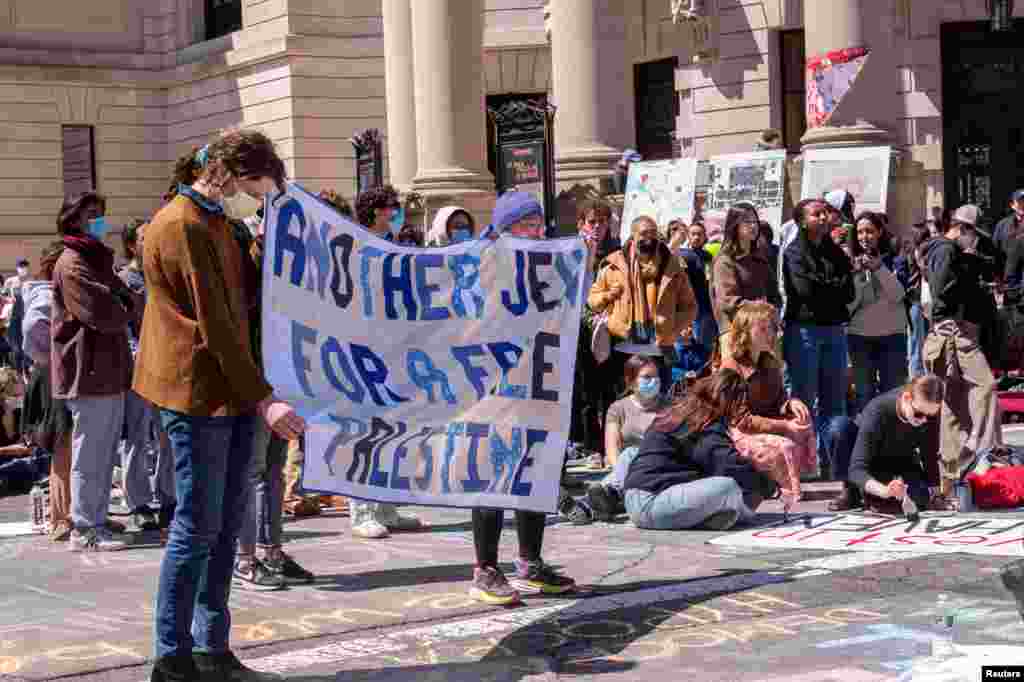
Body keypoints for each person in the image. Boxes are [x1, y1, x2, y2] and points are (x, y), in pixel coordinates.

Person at [136, 130, 307, 682]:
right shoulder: (182, 223)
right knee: (197, 525)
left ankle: (212, 650)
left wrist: (265, 234)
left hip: (229, 389)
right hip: (196, 391)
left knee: (226, 521)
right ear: (227, 174)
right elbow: (214, 323)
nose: (255, 201)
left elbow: (249, 293)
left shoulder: (219, 222)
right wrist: (265, 401)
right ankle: (172, 657)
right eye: (256, 190)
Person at [469, 192, 576, 606]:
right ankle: (485, 569)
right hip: (495, 384)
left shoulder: (545, 263)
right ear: (507, 227)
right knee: (493, 473)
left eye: (538, 223)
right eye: (527, 224)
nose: (536, 230)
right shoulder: (486, 262)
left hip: (539, 379)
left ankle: (530, 561)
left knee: (537, 469)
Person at [52, 192, 136, 553]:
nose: (100, 220)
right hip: (87, 371)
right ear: (74, 219)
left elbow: (125, 299)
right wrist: (122, 301)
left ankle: (97, 516)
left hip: (108, 369)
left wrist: (122, 299)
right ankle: (84, 526)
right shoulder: (73, 263)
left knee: (104, 452)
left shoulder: (96, 259)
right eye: (92, 214)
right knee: (90, 454)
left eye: (101, 214)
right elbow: (106, 311)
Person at [348, 185, 423, 539]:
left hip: (395, 345)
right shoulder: (358, 245)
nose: (396, 212)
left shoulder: (393, 245)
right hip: (365, 346)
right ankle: (362, 510)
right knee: (367, 428)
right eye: (391, 206)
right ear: (375, 210)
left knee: (392, 427)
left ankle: (387, 506)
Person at [622, 369, 775, 530]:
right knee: (728, 487)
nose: (740, 411)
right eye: (738, 404)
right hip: (650, 504)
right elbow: (728, 464)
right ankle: (740, 514)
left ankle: (709, 517)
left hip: (638, 498)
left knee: (728, 487)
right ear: (726, 399)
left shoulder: (682, 411)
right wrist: (767, 484)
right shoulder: (703, 422)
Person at [921, 204, 1001, 509]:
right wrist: (965, 278)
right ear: (963, 230)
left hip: (948, 330)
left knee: (952, 404)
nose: (975, 242)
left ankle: (951, 476)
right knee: (985, 386)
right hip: (951, 330)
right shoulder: (945, 250)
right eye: (973, 235)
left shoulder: (949, 252)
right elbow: (942, 289)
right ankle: (978, 449)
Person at [720, 301, 815, 507]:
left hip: (765, 424)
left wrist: (790, 404)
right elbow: (741, 420)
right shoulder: (731, 367)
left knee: (804, 423)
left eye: (771, 328)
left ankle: (794, 479)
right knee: (785, 444)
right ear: (745, 331)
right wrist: (784, 426)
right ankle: (787, 490)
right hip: (737, 431)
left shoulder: (769, 361)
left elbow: (779, 399)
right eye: (762, 329)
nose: (769, 333)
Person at [588, 214, 697, 388]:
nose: (649, 238)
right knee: (624, 407)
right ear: (633, 237)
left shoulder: (673, 266)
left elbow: (690, 307)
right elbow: (593, 300)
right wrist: (608, 296)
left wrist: (674, 328)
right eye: (644, 233)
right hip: (622, 349)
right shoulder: (612, 265)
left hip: (660, 351)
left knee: (661, 407)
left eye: (653, 233)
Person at [782, 198, 855, 455]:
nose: (824, 218)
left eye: (825, 213)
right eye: (816, 214)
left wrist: (826, 285)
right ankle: (804, 458)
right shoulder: (793, 253)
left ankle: (832, 458)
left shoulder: (835, 252)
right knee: (804, 397)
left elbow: (849, 291)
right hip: (804, 330)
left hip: (834, 328)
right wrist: (832, 285)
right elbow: (804, 291)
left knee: (835, 398)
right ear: (802, 221)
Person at [116, 219, 172, 533]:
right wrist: (140, 353)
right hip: (138, 369)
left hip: (167, 367)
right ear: (130, 245)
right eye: (142, 236)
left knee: (168, 438)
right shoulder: (124, 280)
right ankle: (138, 502)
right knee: (136, 438)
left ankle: (167, 498)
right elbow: (124, 328)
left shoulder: (162, 274)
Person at [824, 375, 944, 514]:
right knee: (839, 427)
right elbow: (857, 469)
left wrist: (935, 494)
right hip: (870, 461)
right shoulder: (878, 410)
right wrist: (884, 491)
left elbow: (929, 453)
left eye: (930, 416)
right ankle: (851, 491)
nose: (924, 420)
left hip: (900, 460)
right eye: (918, 414)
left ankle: (876, 495)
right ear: (906, 398)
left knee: (920, 497)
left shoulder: (926, 411)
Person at [19, 242, 74, 541]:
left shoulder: (44, 291)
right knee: (63, 444)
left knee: (66, 445)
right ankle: (61, 517)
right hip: (55, 376)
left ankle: (64, 514)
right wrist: (53, 354)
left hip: (52, 373)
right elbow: (30, 331)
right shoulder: (46, 293)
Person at [584, 356, 668, 520]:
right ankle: (610, 496)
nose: (654, 381)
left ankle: (600, 499)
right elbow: (612, 447)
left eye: (656, 376)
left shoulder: (670, 405)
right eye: (647, 377)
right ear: (631, 382)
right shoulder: (618, 408)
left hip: (658, 465)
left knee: (631, 452)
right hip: (627, 470)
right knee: (628, 455)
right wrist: (622, 472)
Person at [846, 212, 907, 413]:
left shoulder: (896, 258)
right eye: (860, 232)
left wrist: (879, 269)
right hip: (860, 337)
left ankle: (894, 438)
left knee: (894, 391)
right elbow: (849, 306)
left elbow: (899, 294)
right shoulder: (849, 262)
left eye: (870, 231)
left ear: (880, 232)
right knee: (864, 394)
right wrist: (857, 278)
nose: (865, 236)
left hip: (892, 336)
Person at [712, 202, 781, 341]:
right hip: (736, 333)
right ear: (734, 225)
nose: (753, 226)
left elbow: (774, 294)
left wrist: (774, 315)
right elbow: (729, 302)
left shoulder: (760, 258)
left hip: (764, 331)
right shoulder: (725, 261)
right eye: (747, 221)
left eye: (755, 221)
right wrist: (763, 310)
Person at [895, 226, 932, 378]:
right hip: (914, 303)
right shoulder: (906, 258)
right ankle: (916, 375)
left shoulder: (924, 255)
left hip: (923, 302)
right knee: (916, 340)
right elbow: (903, 282)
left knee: (924, 339)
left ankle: (924, 373)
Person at [677, 222, 718, 357]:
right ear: (688, 236)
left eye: (699, 234)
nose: (696, 237)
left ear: (705, 236)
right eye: (693, 234)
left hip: (706, 307)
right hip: (688, 308)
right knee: (687, 346)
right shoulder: (682, 255)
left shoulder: (708, 256)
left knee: (705, 347)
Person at [993, 189, 1024, 266]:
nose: (1023, 204)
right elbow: (995, 249)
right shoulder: (1002, 225)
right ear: (1012, 205)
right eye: (1020, 202)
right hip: (1009, 271)